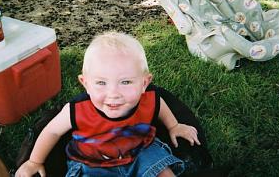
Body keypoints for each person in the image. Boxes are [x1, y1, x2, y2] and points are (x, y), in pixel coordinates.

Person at [15, 31, 201, 177]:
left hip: (140, 153)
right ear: (85, 83)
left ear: (144, 83)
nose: (113, 94)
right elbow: (52, 131)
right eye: (101, 83)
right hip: (92, 163)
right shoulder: (77, 110)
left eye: (126, 82)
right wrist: (34, 161)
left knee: (163, 172)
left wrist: (174, 126)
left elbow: (159, 106)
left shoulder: (150, 98)